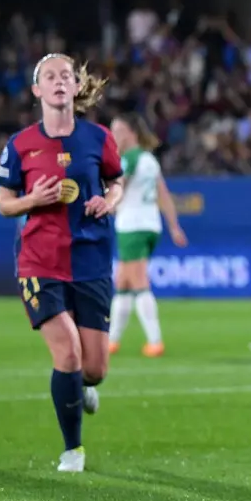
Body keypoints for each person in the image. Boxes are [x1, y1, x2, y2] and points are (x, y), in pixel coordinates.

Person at [0, 53, 124, 474]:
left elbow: (117, 181)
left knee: (94, 369)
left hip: (91, 260)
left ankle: (81, 388)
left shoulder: (99, 138)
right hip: (40, 262)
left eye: (64, 76)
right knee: (66, 352)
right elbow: (4, 204)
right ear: (36, 90)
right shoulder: (19, 145)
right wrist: (32, 201)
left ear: (74, 86)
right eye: (48, 77)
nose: (57, 82)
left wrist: (108, 200)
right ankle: (73, 449)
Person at [108, 112, 188, 357]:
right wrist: (174, 226)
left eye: (118, 131)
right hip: (150, 225)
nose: (114, 137)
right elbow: (163, 194)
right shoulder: (149, 160)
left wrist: (106, 205)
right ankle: (112, 341)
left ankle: (155, 341)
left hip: (133, 225)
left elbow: (120, 186)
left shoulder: (129, 158)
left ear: (131, 133)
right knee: (122, 282)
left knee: (138, 281)